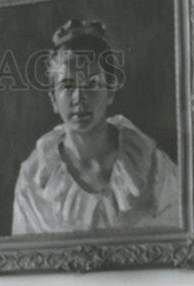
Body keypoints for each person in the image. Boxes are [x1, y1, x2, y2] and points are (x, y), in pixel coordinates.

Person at [12, 18, 179, 235]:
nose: (79, 98)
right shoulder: (34, 177)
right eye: (67, 85)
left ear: (110, 92)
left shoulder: (152, 165)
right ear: (53, 99)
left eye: (92, 84)